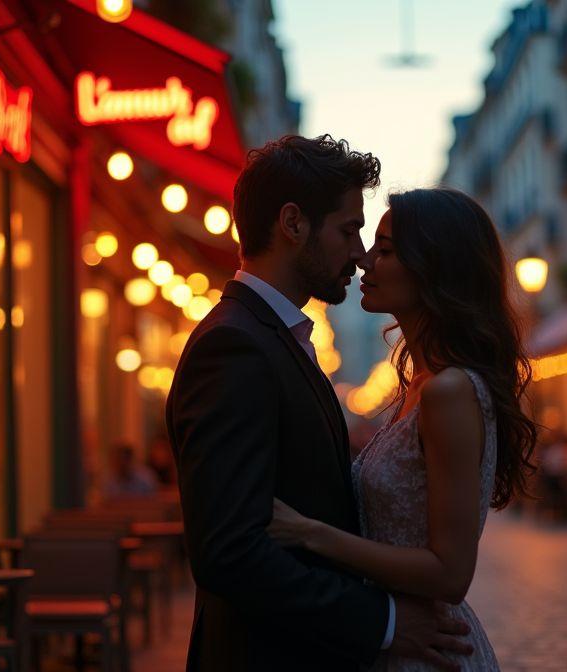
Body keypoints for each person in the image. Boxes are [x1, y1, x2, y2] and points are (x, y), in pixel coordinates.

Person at [167, 137, 473, 671]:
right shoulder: (235, 345)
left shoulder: (270, 336)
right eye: (349, 230)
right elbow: (229, 552)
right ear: (293, 223)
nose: (359, 253)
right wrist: (384, 622)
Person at [266, 187, 537, 671]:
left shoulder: (449, 391)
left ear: (435, 267)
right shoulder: (422, 384)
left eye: (386, 250)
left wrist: (309, 533)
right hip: (401, 638)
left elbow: (451, 573)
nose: (365, 260)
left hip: (428, 650)